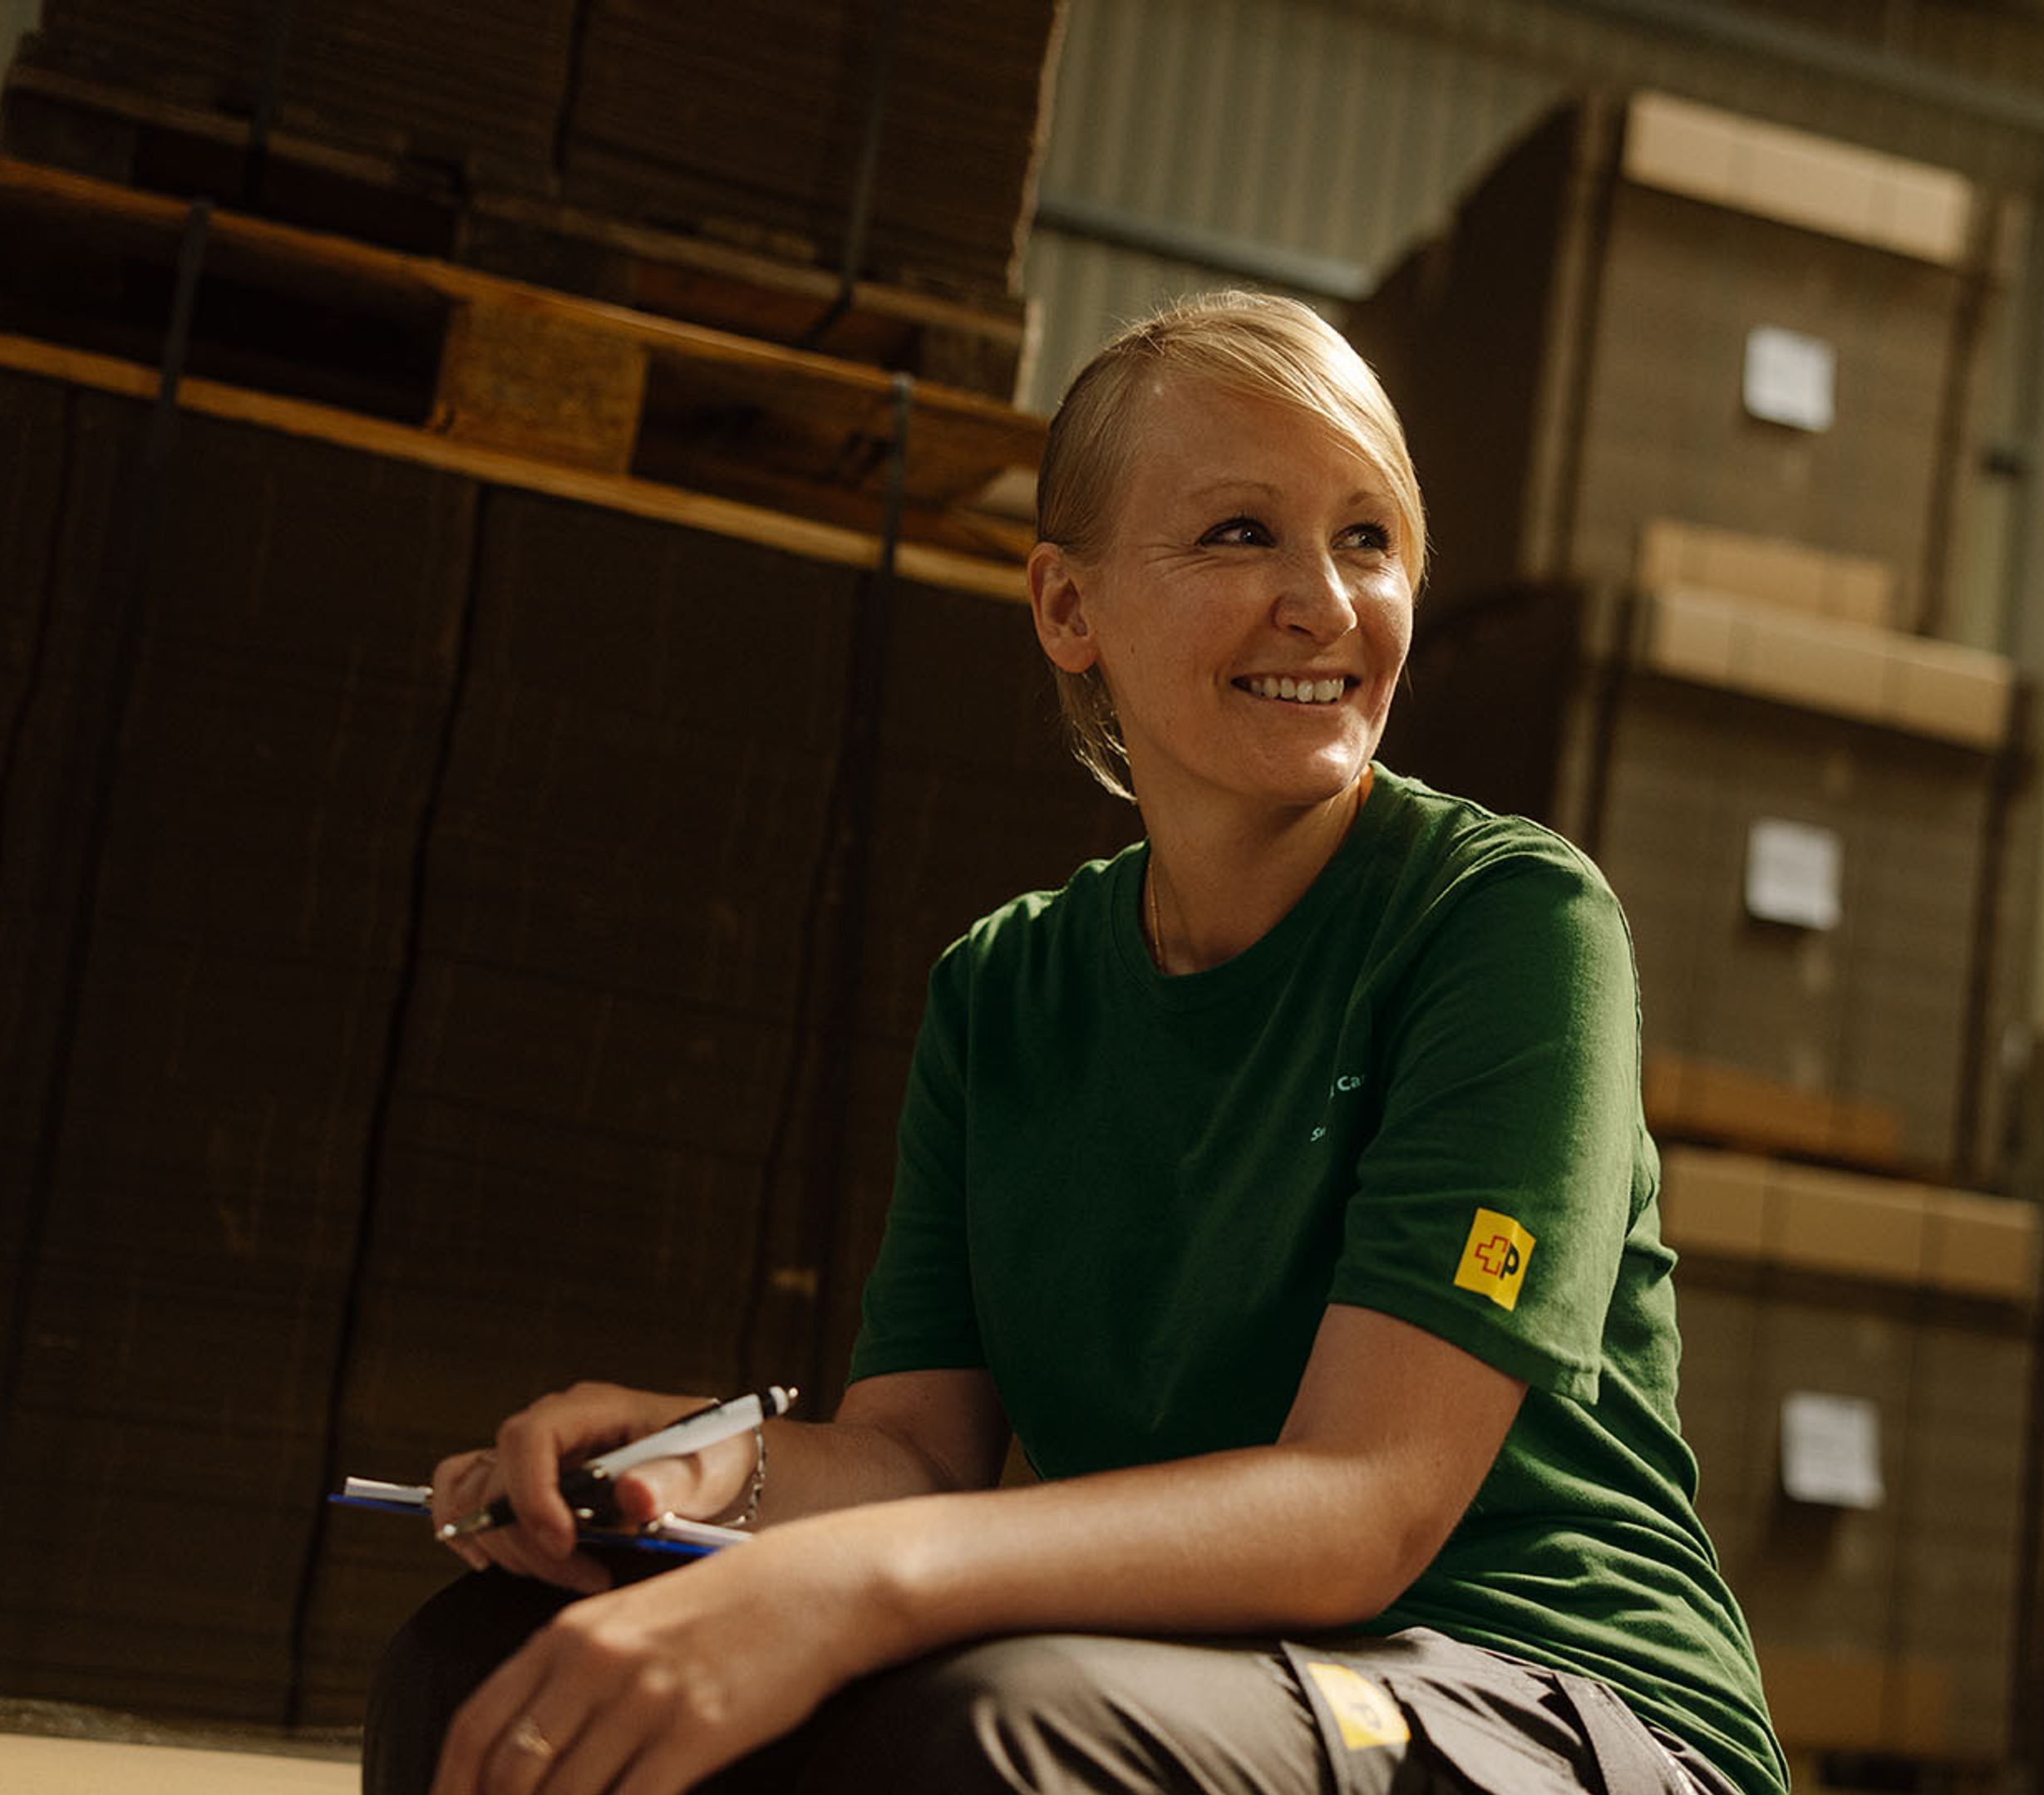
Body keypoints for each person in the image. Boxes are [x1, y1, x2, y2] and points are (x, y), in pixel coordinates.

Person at [365, 291, 1789, 1795]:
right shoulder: (1007, 992)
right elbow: (913, 1460)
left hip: (1548, 1697)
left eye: (1368, 539)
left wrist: (853, 1586)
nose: (1325, 603)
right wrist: (702, 1468)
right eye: (1241, 533)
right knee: (485, 1661)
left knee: (995, 1732)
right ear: (1066, 608)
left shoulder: (1505, 925)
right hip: (1211, 1675)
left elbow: (1365, 1504)